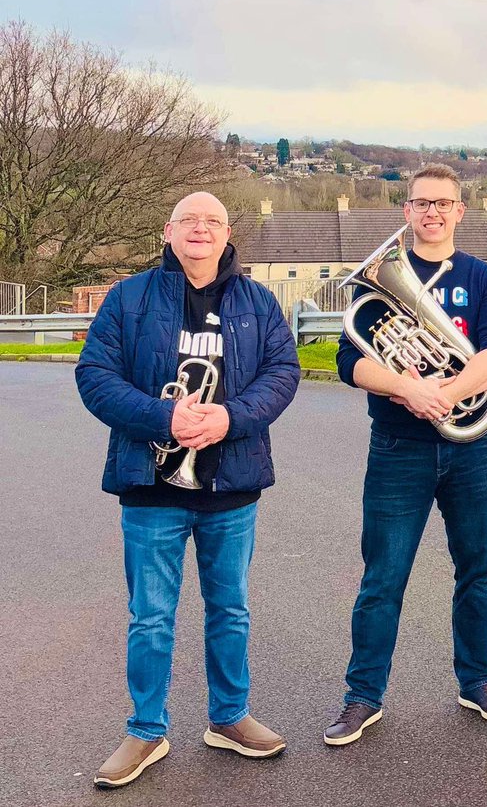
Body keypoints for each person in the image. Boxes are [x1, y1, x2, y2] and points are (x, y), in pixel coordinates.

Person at [76, 192, 300, 788]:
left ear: (228, 233)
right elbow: (93, 375)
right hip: (151, 484)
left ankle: (228, 718)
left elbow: (284, 373)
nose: (201, 229)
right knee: (150, 617)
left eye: (213, 221)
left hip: (232, 483)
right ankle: (146, 730)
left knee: (231, 611)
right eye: (189, 220)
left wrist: (230, 418)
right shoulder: (130, 297)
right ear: (168, 231)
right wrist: (162, 417)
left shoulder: (257, 300)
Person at [323, 163, 487, 747]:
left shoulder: (484, 280)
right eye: (420, 204)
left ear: (460, 211)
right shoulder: (375, 284)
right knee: (383, 575)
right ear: (406, 212)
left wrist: (445, 393)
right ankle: (363, 696)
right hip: (397, 447)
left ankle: (477, 681)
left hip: (471, 447)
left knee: (477, 570)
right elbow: (347, 360)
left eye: (443, 203)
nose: (431, 213)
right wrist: (404, 387)